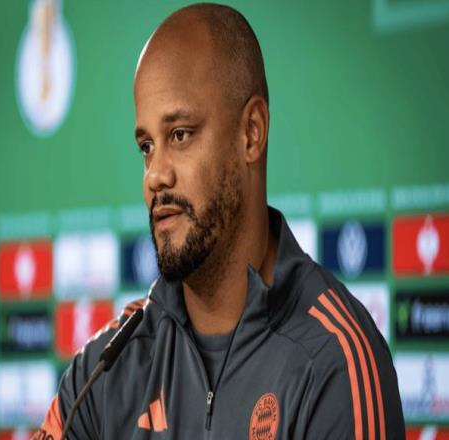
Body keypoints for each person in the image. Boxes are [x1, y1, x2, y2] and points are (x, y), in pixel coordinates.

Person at [36, 3, 405, 439]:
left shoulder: (334, 361)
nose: (155, 176)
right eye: (147, 147)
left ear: (252, 132)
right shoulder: (104, 371)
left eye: (180, 135)